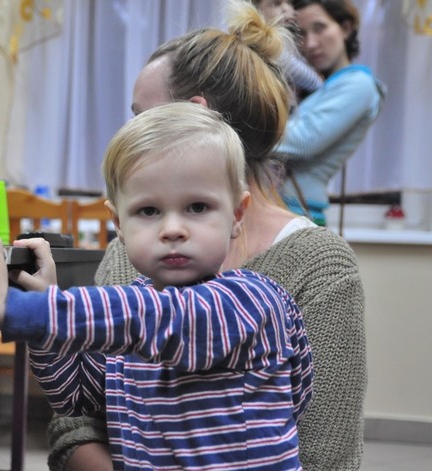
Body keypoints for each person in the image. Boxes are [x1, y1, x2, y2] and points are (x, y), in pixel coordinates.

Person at [46, 1, 367, 470]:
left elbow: (325, 457)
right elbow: (77, 422)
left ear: (196, 114)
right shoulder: (127, 254)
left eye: (140, 116)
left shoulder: (318, 267)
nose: (128, 132)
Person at [0, 102, 313, 470]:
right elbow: (75, 397)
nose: (172, 229)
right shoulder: (130, 320)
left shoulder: (251, 301)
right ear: (119, 224)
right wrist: (43, 302)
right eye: (148, 211)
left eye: (197, 207)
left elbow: (158, 320)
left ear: (237, 215)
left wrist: (12, 308)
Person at [276, 0, 386, 226]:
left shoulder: (358, 84)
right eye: (301, 34)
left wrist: (237, 130)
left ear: (346, 28)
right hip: (285, 208)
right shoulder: (319, 87)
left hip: (297, 213)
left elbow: (303, 140)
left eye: (320, 28)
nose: (310, 43)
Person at [251, 0, 323, 106]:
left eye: (289, 3)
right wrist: (322, 86)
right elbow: (307, 78)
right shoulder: (259, 41)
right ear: (255, 9)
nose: (286, 9)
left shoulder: (290, 37)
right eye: (276, 4)